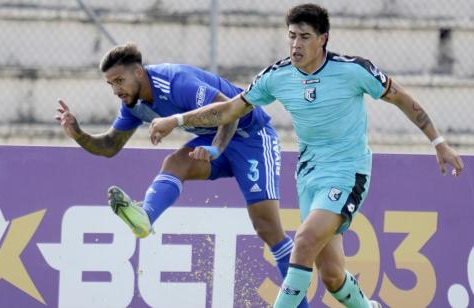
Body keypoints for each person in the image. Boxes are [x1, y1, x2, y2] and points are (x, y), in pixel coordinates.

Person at [149, 4, 465, 308]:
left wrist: (438, 141)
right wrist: (175, 120)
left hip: (347, 171)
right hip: (309, 176)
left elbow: (402, 99)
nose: (295, 44)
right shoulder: (276, 77)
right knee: (332, 275)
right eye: (291, 36)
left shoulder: (353, 70)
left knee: (303, 242)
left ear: (323, 39)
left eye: (304, 37)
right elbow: (229, 109)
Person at [55, 43, 310, 307]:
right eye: (111, 84)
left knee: (268, 229)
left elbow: (230, 112)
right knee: (175, 163)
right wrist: (79, 135)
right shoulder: (134, 104)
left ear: (139, 73)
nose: (116, 90)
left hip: (252, 139)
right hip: (212, 139)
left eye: (120, 81)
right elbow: (110, 146)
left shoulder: (175, 82)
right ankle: (145, 217)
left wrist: (213, 147)